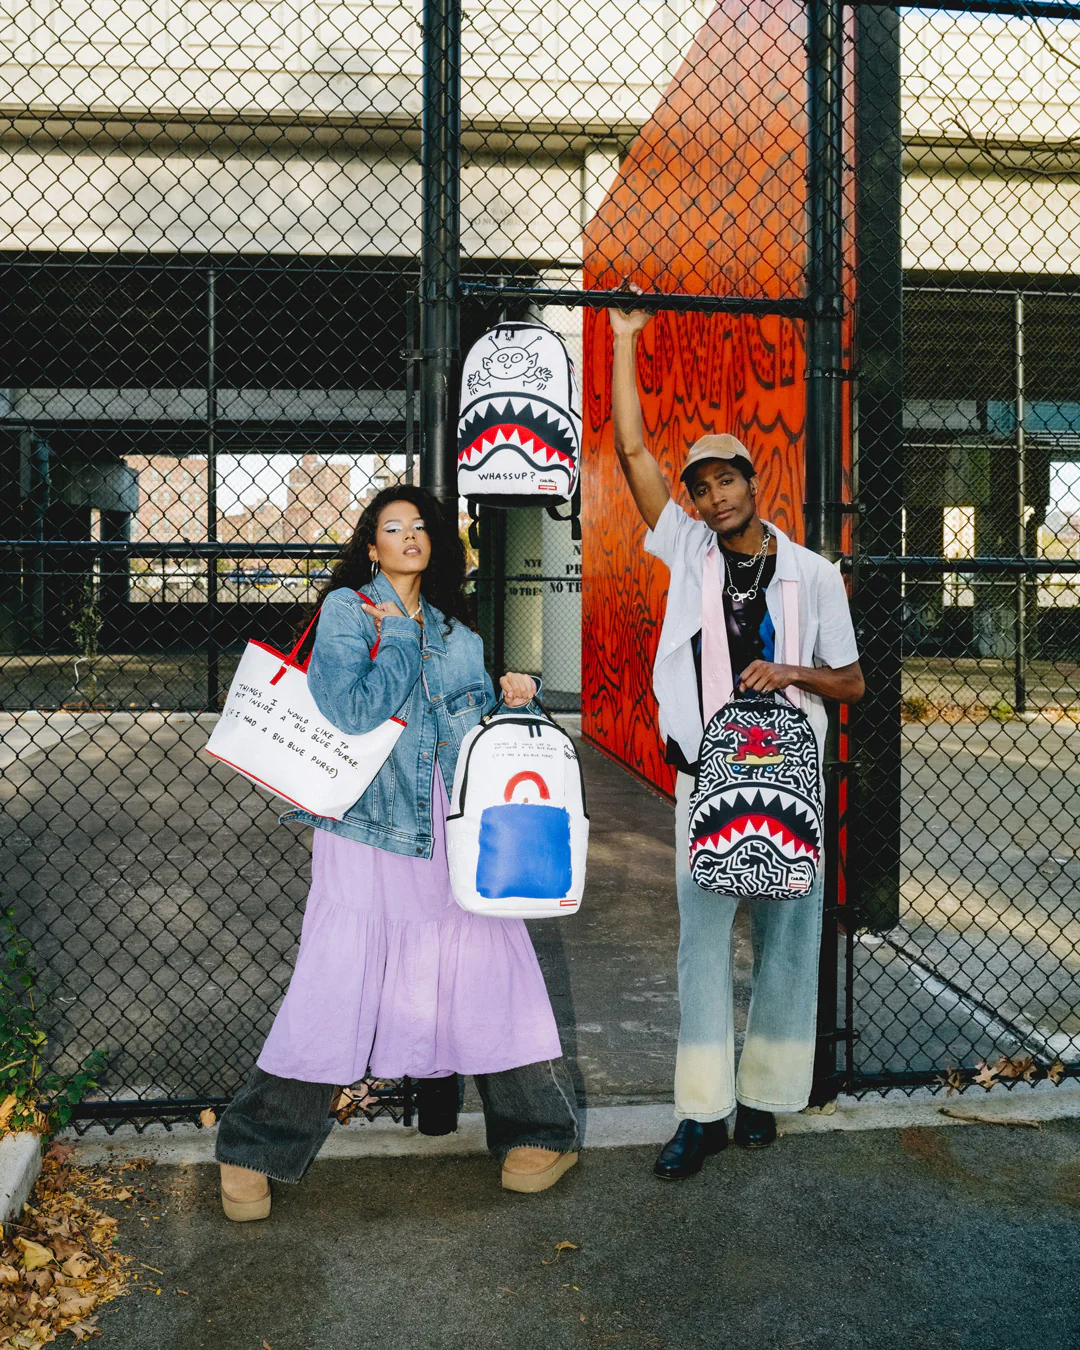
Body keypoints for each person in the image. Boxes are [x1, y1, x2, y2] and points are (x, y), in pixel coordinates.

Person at [215, 486, 581, 1219]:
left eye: (419, 526)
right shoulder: (350, 611)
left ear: (435, 543)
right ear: (371, 546)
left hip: (452, 826)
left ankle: (538, 1130)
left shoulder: (459, 633)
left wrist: (517, 699)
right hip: (368, 827)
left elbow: (476, 732)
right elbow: (350, 710)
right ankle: (254, 1143)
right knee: (336, 976)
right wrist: (404, 642)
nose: (409, 535)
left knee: (491, 966)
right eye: (392, 526)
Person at [607, 303, 865, 1180]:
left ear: (755, 484)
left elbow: (852, 683)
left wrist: (790, 672)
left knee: (789, 938)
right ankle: (702, 1112)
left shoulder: (814, 575)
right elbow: (632, 451)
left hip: (790, 779)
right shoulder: (689, 552)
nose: (714, 496)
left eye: (726, 481)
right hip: (706, 779)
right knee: (702, 944)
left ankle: (765, 1096)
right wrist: (625, 341)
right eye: (701, 487)